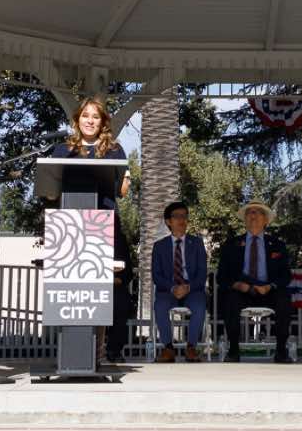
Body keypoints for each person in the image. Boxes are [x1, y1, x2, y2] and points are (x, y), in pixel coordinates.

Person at [43, 97, 134, 363]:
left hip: (102, 225)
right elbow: (51, 190)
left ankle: (98, 351)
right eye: (85, 116)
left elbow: (123, 189)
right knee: (72, 288)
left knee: (99, 289)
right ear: (77, 119)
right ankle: (69, 353)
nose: (90, 121)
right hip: (69, 228)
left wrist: (126, 180)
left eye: (95, 116)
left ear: (102, 122)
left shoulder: (114, 150)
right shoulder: (63, 150)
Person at [218, 201, 293, 363]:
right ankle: (233, 350)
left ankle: (281, 351)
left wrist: (270, 286)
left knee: (284, 299)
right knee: (230, 299)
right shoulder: (231, 245)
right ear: (244, 220)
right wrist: (237, 285)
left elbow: (286, 276)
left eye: (257, 212)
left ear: (266, 220)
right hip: (242, 290)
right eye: (249, 213)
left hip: (269, 290)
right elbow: (221, 277)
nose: (253, 216)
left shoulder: (277, 245)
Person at [149, 201, 208, 363]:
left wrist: (188, 287)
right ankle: (168, 348)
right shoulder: (159, 246)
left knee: (200, 305)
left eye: (184, 216)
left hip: (192, 290)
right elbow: (156, 275)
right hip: (169, 291)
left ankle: (191, 348)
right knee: (159, 306)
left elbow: (202, 273)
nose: (182, 219)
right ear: (168, 221)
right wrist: (173, 288)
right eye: (177, 216)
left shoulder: (197, 243)